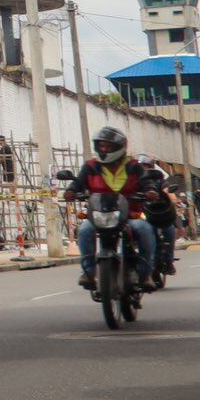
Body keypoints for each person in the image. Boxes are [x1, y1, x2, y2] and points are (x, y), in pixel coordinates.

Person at [64, 125, 158, 292]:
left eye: (108, 146)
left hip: (130, 215)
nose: (104, 149)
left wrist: (150, 191)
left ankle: (146, 274)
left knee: (144, 229)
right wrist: (71, 191)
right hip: (99, 214)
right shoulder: (90, 166)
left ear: (119, 147)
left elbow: (146, 182)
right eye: (101, 146)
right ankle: (88, 273)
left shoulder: (133, 166)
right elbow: (78, 183)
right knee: (85, 230)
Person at [139, 156, 179, 273]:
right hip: (143, 212)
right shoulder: (136, 180)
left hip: (158, 212)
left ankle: (169, 261)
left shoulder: (160, 181)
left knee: (169, 229)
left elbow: (167, 192)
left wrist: (171, 199)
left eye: (146, 166)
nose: (144, 169)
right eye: (142, 166)